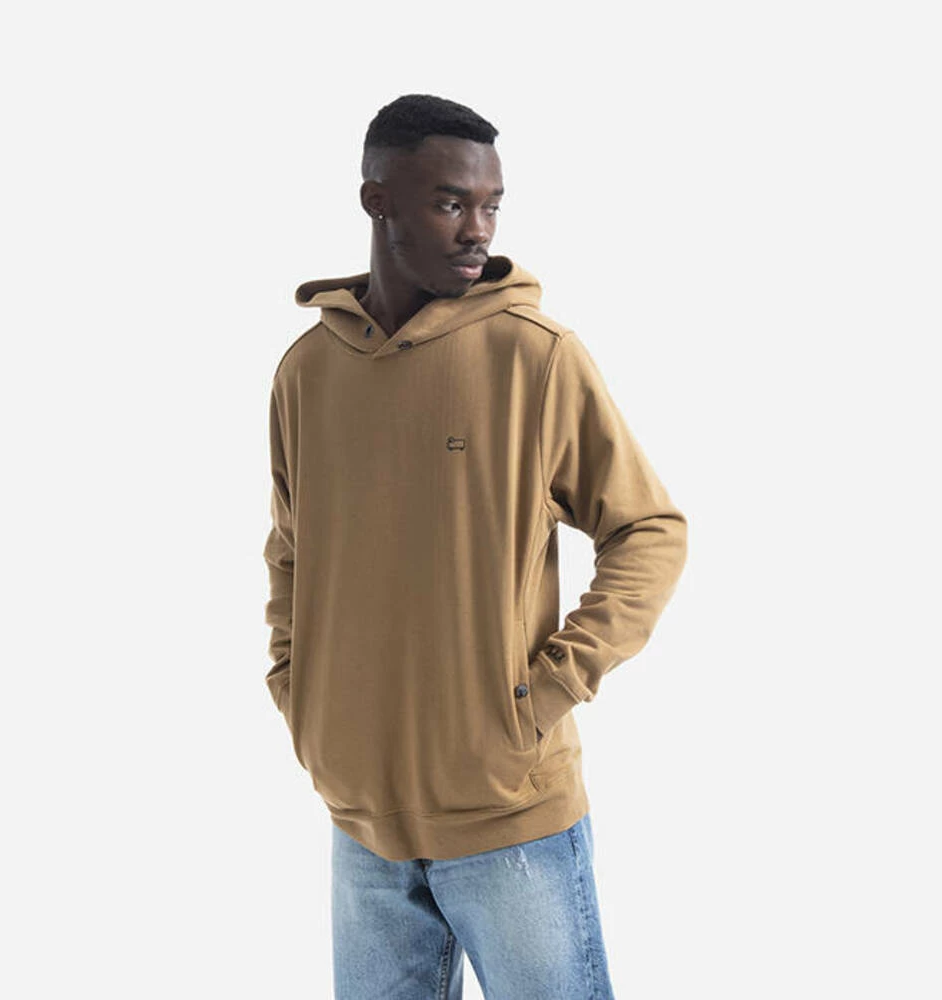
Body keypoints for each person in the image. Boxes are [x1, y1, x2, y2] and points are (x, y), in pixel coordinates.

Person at [263, 93, 688, 999]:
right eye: (451, 203)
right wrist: (301, 694)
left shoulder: (533, 356)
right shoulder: (308, 370)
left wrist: (549, 689)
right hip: (360, 824)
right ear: (378, 200)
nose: (478, 230)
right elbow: (291, 548)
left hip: (510, 816)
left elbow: (647, 529)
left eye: (491, 205)